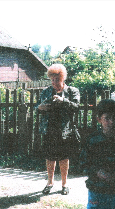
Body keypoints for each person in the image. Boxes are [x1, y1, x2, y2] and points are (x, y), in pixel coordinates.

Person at [36, 63, 80, 195]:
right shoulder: (46, 91)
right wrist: (40, 108)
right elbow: (37, 107)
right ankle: (50, 182)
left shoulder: (72, 91)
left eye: (57, 79)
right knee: (50, 157)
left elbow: (76, 107)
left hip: (65, 130)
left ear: (63, 78)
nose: (54, 82)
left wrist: (63, 101)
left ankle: (64, 184)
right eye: (52, 79)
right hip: (49, 130)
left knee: (63, 158)